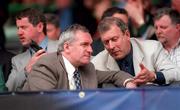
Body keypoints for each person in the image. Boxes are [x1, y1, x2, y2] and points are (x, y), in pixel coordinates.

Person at [23, 24, 137, 91]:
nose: (91, 50)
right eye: (84, 45)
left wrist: (129, 83)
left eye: (90, 45)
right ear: (67, 47)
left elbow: (115, 75)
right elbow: (48, 102)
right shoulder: (46, 65)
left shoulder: (87, 68)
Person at [91, 17, 180, 87]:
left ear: (127, 35)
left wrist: (153, 76)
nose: (111, 46)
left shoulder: (152, 48)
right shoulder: (98, 62)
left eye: (114, 39)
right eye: (106, 42)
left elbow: (176, 73)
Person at [6, 8, 58, 91]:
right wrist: (25, 70)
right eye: (18, 28)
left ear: (40, 27)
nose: (19, 32)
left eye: (24, 27)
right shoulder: (16, 60)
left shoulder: (62, 48)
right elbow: (8, 90)